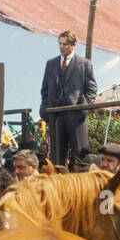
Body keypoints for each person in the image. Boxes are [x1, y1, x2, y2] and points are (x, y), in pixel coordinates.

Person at [40, 31, 98, 170]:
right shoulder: (51, 64)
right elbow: (45, 90)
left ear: (73, 45)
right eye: (60, 43)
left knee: (80, 157)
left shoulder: (84, 64)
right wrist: (45, 110)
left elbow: (92, 90)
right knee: (57, 158)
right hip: (56, 117)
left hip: (76, 117)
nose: (61, 47)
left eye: (65, 44)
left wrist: (81, 109)